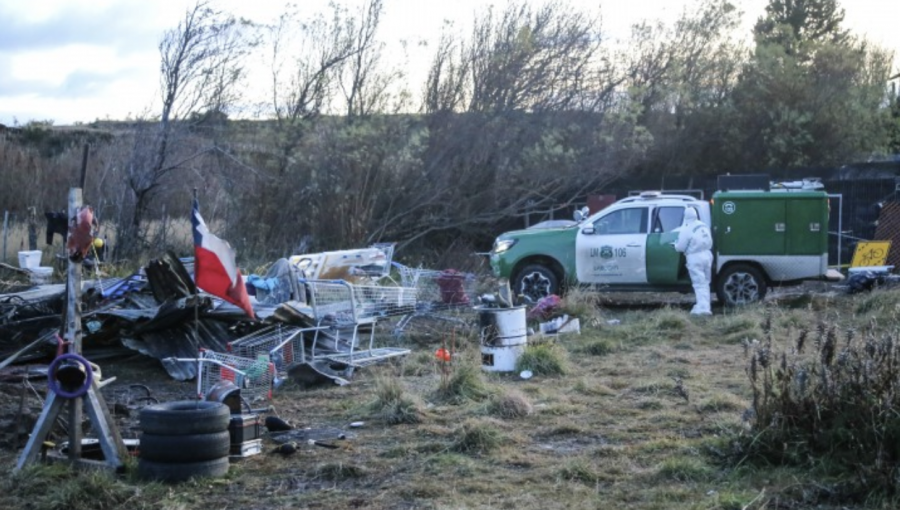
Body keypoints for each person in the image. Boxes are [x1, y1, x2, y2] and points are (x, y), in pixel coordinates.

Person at [673, 206, 713, 315]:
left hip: (695, 257)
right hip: (707, 255)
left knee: (699, 283)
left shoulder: (687, 228)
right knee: (705, 282)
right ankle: (705, 305)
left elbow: (680, 247)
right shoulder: (703, 225)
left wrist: (675, 245)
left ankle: (703, 309)